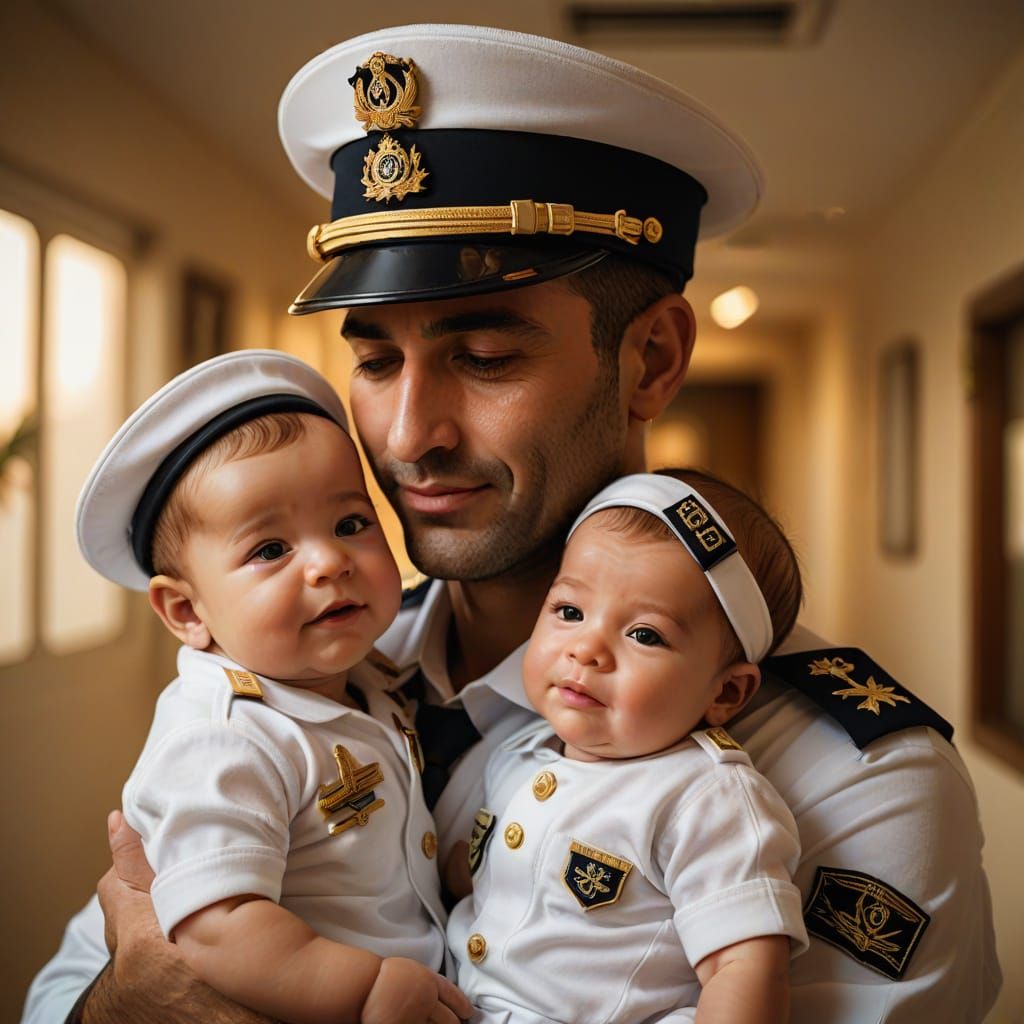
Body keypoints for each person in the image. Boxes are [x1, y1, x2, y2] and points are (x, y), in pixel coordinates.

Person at [23, 23, 1000, 1024]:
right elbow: (78, 986)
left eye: (485, 355)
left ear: (652, 360)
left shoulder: (853, 783)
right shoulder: (317, 662)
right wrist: (124, 1004)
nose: (407, 436)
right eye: (373, 362)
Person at [66, 349, 471, 1024]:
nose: (329, 562)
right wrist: (363, 989)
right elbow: (219, 925)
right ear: (187, 613)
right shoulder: (222, 737)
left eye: (350, 524)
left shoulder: (360, 679)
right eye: (270, 549)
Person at [445, 469, 810, 1023]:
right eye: (569, 611)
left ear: (727, 691)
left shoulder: (705, 799)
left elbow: (745, 967)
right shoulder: (517, 753)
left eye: (644, 634)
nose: (586, 648)